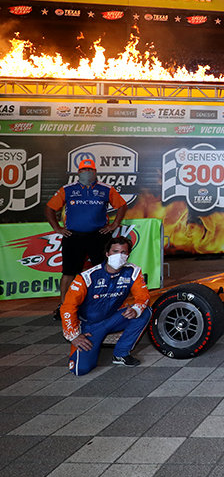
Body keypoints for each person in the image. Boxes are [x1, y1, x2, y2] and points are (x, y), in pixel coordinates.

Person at [60, 236, 151, 376]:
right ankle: (93, 342)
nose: (119, 256)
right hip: (89, 326)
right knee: (80, 370)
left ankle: (121, 354)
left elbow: (143, 296)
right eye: (115, 251)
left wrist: (136, 309)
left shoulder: (133, 271)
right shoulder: (87, 277)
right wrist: (74, 335)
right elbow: (67, 307)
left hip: (114, 318)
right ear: (107, 254)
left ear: (128, 255)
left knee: (144, 312)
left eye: (124, 252)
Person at [45, 158, 127, 306]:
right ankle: (63, 305)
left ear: (95, 171)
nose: (87, 172)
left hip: (99, 236)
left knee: (105, 269)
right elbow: (49, 208)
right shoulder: (67, 189)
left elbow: (122, 205)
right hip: (73, 236)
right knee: (69, 272)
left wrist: (115, 224)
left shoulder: (106, 189)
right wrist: (57, 228)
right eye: (83, 170)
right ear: (78, 172)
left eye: (90, 170)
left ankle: (106, 302)